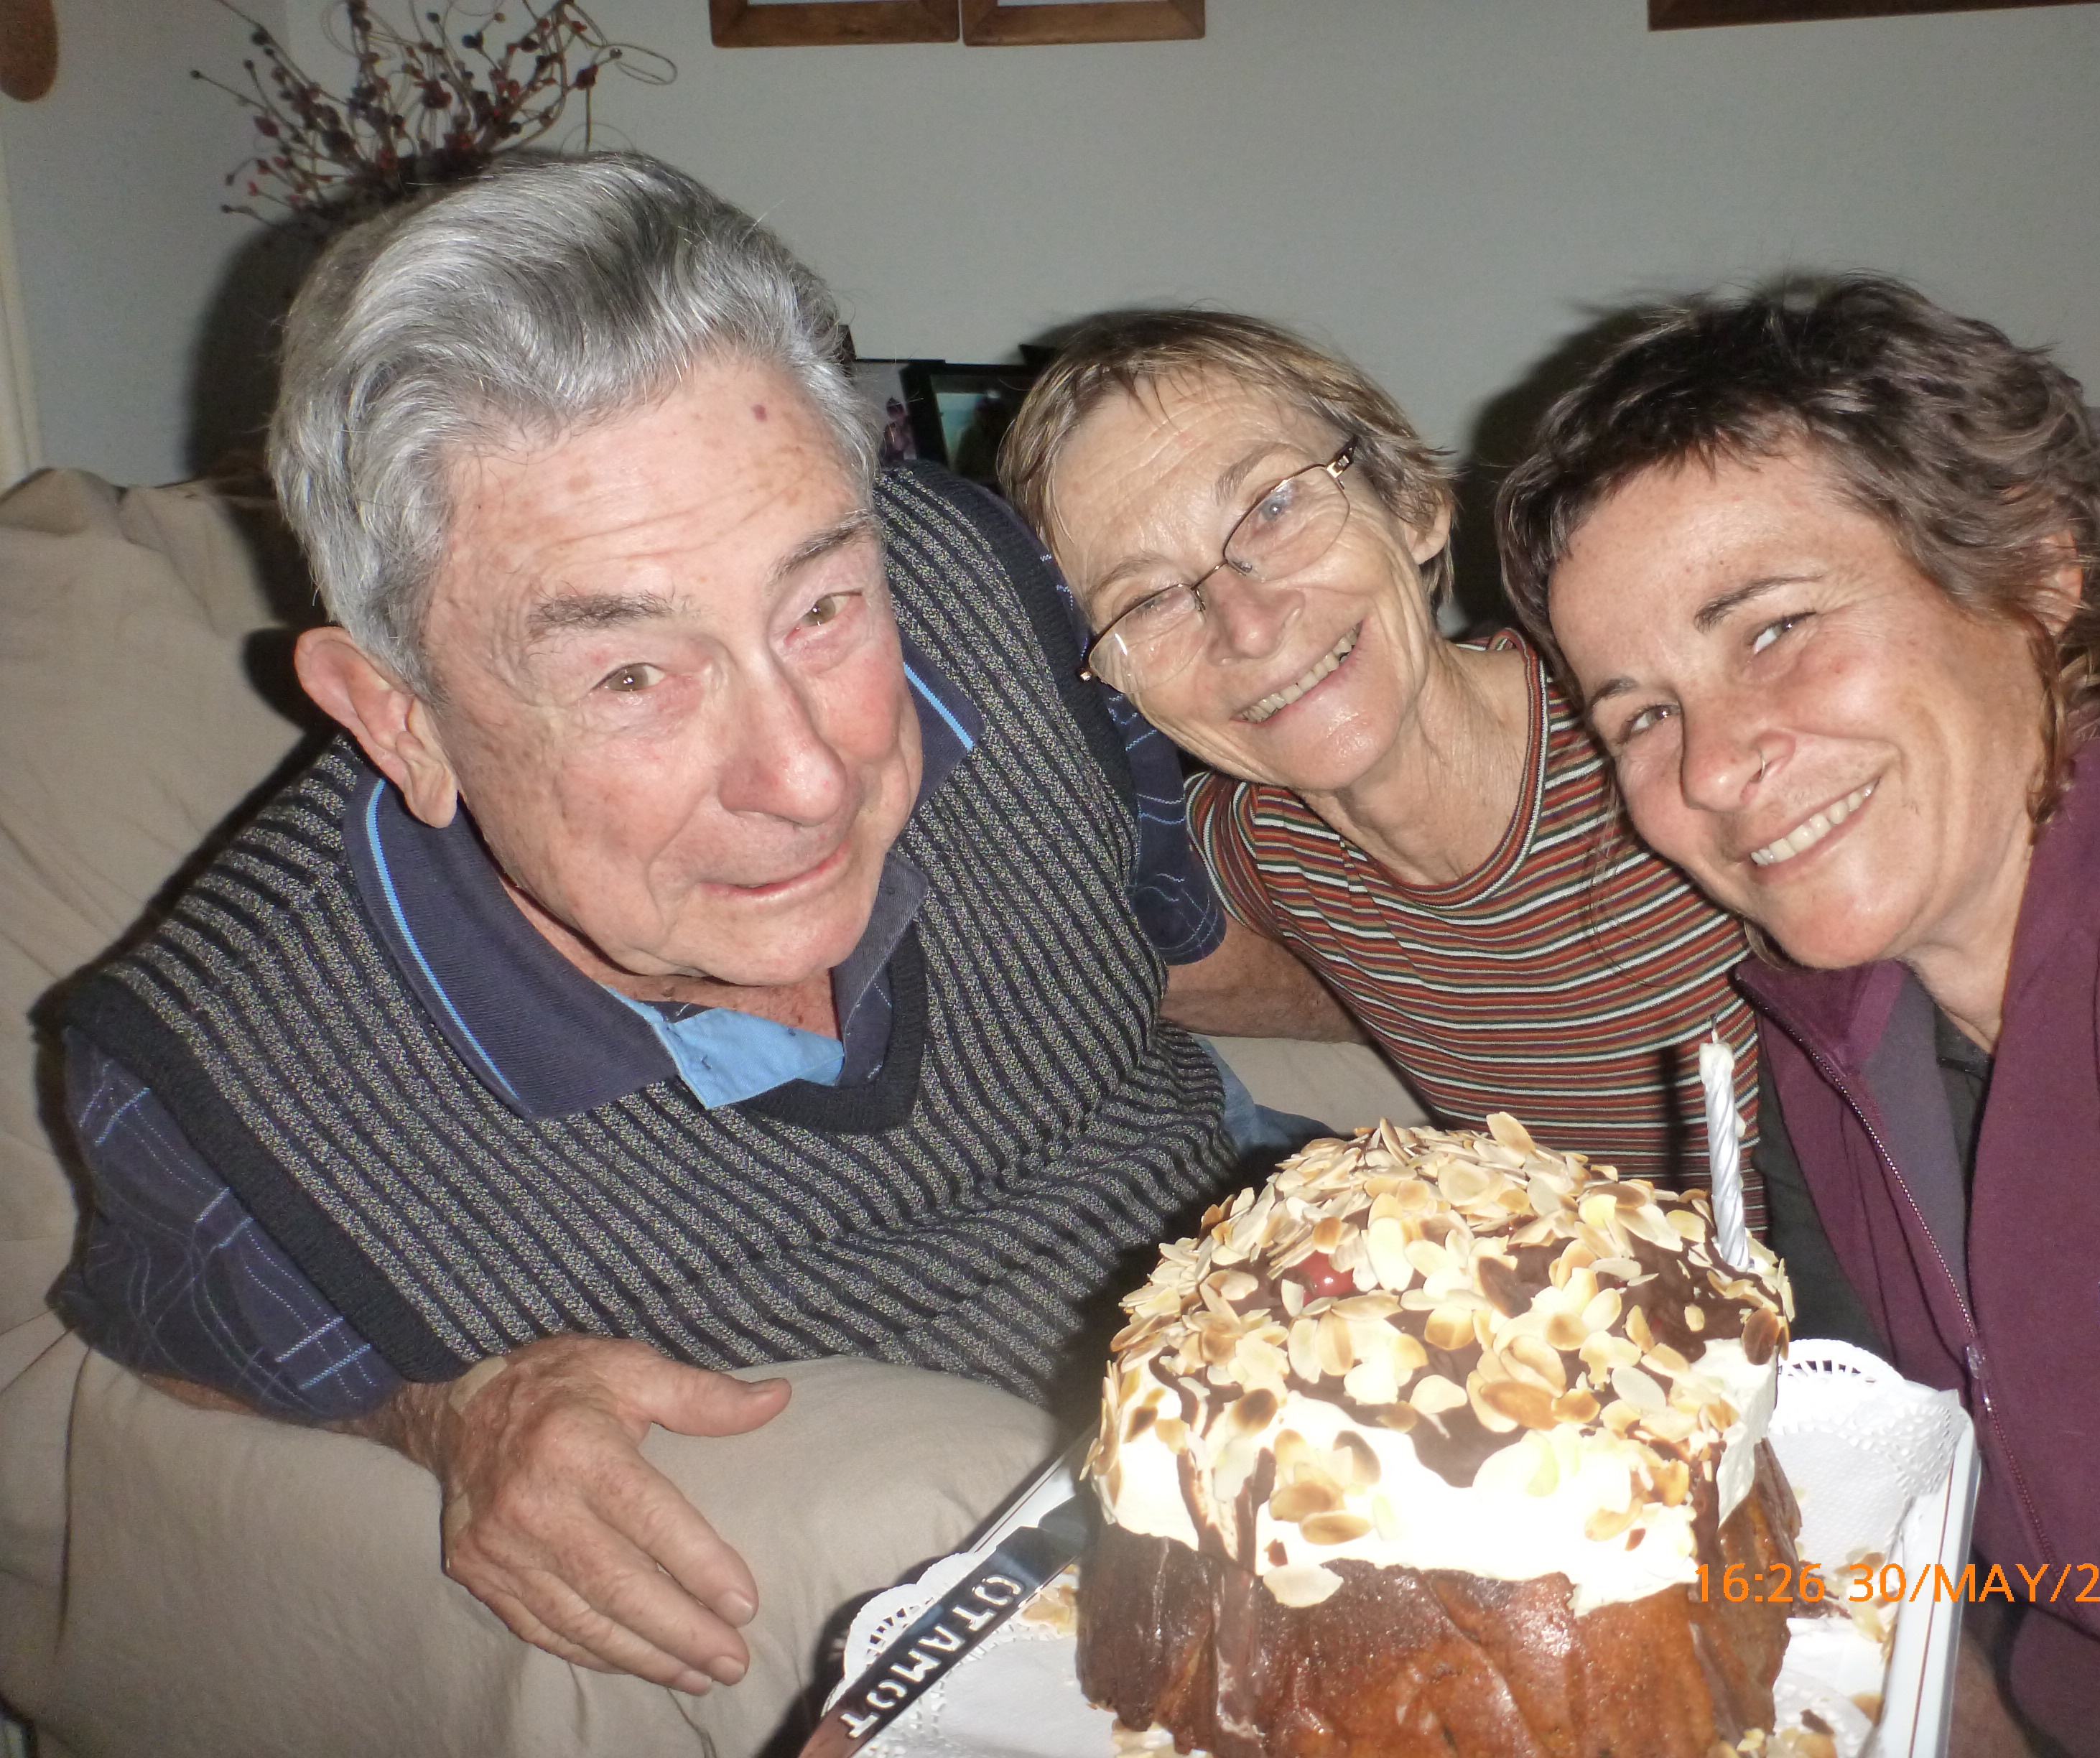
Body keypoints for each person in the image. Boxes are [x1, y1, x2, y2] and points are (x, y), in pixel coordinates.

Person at [52, 152, 1250, 1725]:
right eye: (631, 677)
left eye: (822, 608)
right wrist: (448, 1416)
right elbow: (178, 1340)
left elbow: (1184, 935)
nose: (807, 774)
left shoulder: (977, 583)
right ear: (399, 720)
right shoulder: (238, 1072)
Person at [995, 312, 2100, 1239]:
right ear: (1113, 682)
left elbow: (2055, 766)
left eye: (1275, 506)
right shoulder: (1254, 854)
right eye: (1147, 598)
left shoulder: (1683, 740)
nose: (1244, 620)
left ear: (1413, 502)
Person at [1503, 274, 2100, 1755]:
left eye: (1773, 628)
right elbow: (1876, 1496)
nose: (1709, 768)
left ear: (2032, 567)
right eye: (1643, 713)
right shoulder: (1817, 1043)